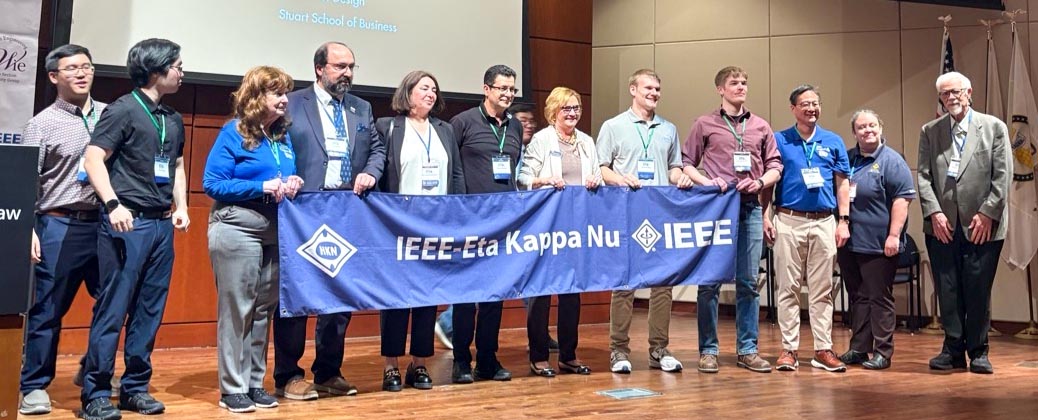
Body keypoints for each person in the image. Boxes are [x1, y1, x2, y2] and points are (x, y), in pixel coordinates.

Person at [80, 38, 190, 420]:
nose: (182, 72)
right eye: (177, 65)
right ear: (156, 70)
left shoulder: (172, 118)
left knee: (149, 310)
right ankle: (96, 393)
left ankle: (135, 389)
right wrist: (112, 204)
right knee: (112, 309)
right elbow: (93, 159)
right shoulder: (123, 110)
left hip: (161, 225)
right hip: (128, 223)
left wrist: (182, 206)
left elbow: (176, 165)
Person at [275, 41, 384, 399]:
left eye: (351, 66)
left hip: (346, 211)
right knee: (297, 293)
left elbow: (377, 149)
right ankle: (288, 375)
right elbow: (273, 146)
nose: (347, 73)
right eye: (340, 66)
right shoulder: (293, 103)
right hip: (302, 212)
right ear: (319, 69)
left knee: (339, 294)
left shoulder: (361, 107)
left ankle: (328, 371)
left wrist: (370, 172)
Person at [203, 66, 303, 412]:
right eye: (277, 93)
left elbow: (284, 174)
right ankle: (232, 388)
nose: (285, 100)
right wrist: (260, 186)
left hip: (275, 231)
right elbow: (213, 183)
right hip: (237, 228)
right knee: (238, 310)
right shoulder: (233, 132)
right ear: (256, 96)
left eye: (285, 93)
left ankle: (255, 383)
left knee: (263, 310)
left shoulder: (281, 136)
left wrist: (292, 182)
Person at [19, 44, 106, 415]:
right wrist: (27, 229)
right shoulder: (41, 124)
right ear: (54, 77)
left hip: (105, 224)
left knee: (114, 303)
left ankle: (95, 371)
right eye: (72, 68)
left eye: (87, 66)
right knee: (47, 310)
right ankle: (34, 385)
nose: (82, 73)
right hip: (58, 223)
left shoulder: (110, 115)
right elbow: (24, 183)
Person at [681, 66, 782, 374]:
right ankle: (708, 350)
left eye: (744, 83)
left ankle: (748, 350)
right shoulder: (705, 123)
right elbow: (687, 163)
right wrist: (706, 182)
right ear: (720, 89)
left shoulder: (760, 126)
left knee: (748, 282)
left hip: (750, 208)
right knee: (709, 282)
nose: (741, 87)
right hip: (716, 209)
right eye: (734, 83)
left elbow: (775, 166)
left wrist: (760, 182)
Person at [597, 69, 693, 374]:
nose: (654, 93)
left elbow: (674, 167)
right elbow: (601, 168)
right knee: (624, 284)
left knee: (663, 284)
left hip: (660, 215)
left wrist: (681, 179)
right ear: (633, 90)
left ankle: (659, 348)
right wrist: (620, 179)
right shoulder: (613, 126)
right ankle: (618, 350)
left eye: (657, 89)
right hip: (626, 214)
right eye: (648, 88)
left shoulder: (668, 128)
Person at [374, 70, 465, 391]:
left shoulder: (444, 129)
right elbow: (380, 174)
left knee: (428, 296)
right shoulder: (388, 127)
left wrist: (458, 215)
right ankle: (391, 366)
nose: (431, 93)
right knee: (396, 298)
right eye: (424, 88)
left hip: (436, 226)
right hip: (398, 226)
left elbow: (456, 175)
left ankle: (420, 363)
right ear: (408, 92)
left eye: (434, 89)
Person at [917, 71, 1011, 374]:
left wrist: (987, 213)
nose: (951, 98)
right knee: (947, 290)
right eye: (945, 94)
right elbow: (923, 177)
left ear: (969, 93)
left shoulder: (993, 127)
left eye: (956, 92)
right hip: (942, 226)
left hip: (983, 226)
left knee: (977, 290)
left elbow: (1002, 176)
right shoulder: (930, 131)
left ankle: (979, 352)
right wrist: (934, 212)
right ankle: (953, 351)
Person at [762, 85, 850, 373]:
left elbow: (842, 183)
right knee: (787, 288)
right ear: (793, 108)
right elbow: (769, 182)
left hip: (825, 221)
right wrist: (765, 217)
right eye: (805, 104)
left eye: (815, 103)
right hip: (788, 220)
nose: (811, 108)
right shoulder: (779, 140)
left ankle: (823, 349)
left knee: (823, 289)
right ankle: (789, 349)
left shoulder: (833, 141)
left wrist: (844, 221)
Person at [448, 64, 523, 384]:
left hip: (503, 222)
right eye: (502, 88)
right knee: (466, 294)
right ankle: (461, 360)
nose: (508, 94)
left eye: (512, 89)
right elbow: (452, 168)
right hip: (468, 220)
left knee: (495, 295)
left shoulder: (515, 125)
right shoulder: (463, 122)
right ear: (486, 89)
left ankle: (488, 359)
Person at [519, 86, 601, 377]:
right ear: (553, 112)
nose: (573, 113)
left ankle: (568, 355)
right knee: (541, 292)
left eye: (576, 108)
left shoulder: (587, 142)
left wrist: (595, 180)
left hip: (577, 228)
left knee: (571, 293)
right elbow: (523, 178)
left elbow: (598, 175)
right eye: (567, 108)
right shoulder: (541, 140)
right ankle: (539, 356)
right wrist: (543, 180)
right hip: (546, 226)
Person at [837, 110, 916, 371]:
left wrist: (894, 235)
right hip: (850, 242)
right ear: (854, 132)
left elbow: (902, 200)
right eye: (861, 127)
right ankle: (859, 348)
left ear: (880, 128)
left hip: (880, 243)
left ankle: (882, 351)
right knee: (858, 296)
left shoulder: (892, 161)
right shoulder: (848, 158)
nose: (867, 130)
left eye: (872, 125)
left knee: (879, 297)